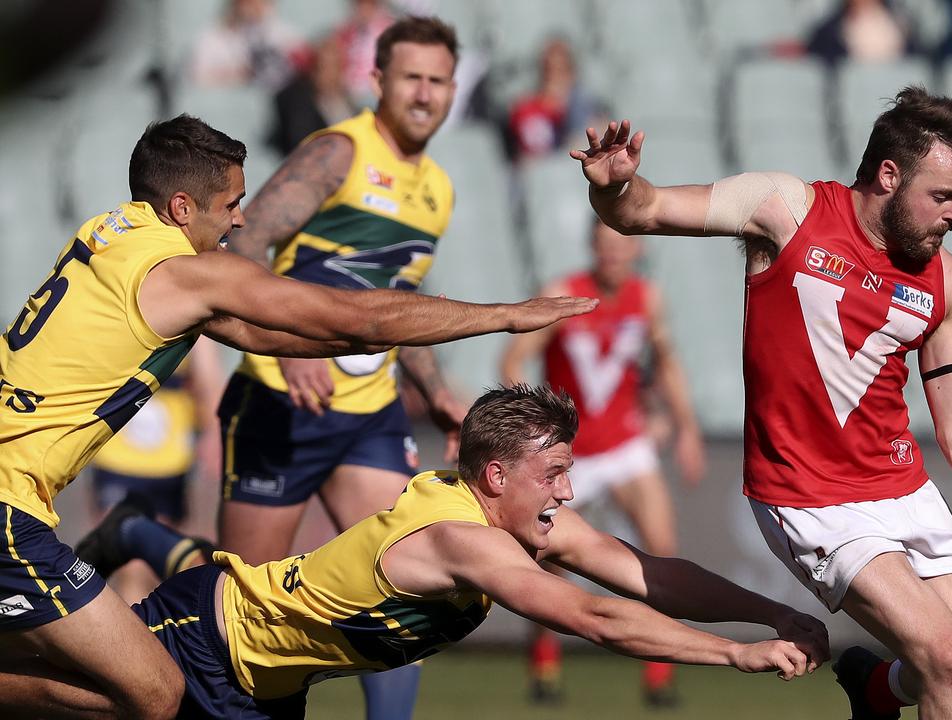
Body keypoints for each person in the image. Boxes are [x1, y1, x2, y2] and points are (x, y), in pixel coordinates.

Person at [0, 112, 593, 719]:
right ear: (182, 207)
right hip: (8, 508)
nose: (239, 219)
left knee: (92, 671)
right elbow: (354, 317)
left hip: (15, 498)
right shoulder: (188, 272)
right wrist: (504, 314)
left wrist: (365, 339)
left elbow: (269, 332)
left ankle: (137, 537)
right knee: (154, 693)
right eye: (229, 204)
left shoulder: (113, 231)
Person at [571, 88, 952, 720]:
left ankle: (873, 691)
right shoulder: (786, 209)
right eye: (942, 196)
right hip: (811, 499)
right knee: (946, 659)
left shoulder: (947, 282)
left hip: (900, 487)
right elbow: (645, 210)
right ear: (888, 175)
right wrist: (612, 190)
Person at [76, 384, 828, 719]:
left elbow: (646, 574)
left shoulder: (513, 516)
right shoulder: (462, 541)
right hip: (203, 640)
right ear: (497, 475)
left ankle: (138, 535)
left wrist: (771, 615)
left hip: (267, 690)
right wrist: (733, 656)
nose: (568, 493)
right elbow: (598, 617)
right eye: (555, 474)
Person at [220, 16, 475, 718]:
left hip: (369, 412)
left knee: (403, 591)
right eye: (411, 77)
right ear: (379, 81)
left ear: (454, 89)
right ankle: (140, 541)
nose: (424, 93)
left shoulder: (439, 190)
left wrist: (439, 390)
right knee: (249, 603)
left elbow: (401, 306)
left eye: (438, 80)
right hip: (280, 401)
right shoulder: (337, 152)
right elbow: (240, 251)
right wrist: (279, 343)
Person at [500, 220, 706, 706]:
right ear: (592, 246)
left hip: (625, 445)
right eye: (604, 245)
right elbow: (513, 360)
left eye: (621, 245)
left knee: (661, 551)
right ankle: (545, 666)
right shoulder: (563, 295)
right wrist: (534, 430)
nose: (613, 255)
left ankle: (659, 677)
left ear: (635, 247)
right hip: (569, 452)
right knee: (548, 560)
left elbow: (667, 362)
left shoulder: (646, 297)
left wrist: (687, 428)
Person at [88, 336, 223, 604]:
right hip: (116, 458)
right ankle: (134, 636)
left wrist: (212, 434)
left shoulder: (193, 319)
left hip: (169, 465)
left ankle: (152, 632)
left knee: (156, 563)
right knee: (131, 563)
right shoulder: (112, 311)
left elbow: (208, 381)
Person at [507, 37, 604, 161]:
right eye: (548, 70)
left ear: (572, 73)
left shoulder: (586, 109)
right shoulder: (525, 110)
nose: (554, 79)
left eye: (560, 70)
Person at [189, 0, 308, 91]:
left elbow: (303, 67)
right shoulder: (212, 37)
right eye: (248, 2)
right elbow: (197, 77)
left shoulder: (286, 35)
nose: (254, 7)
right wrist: (238, 74)